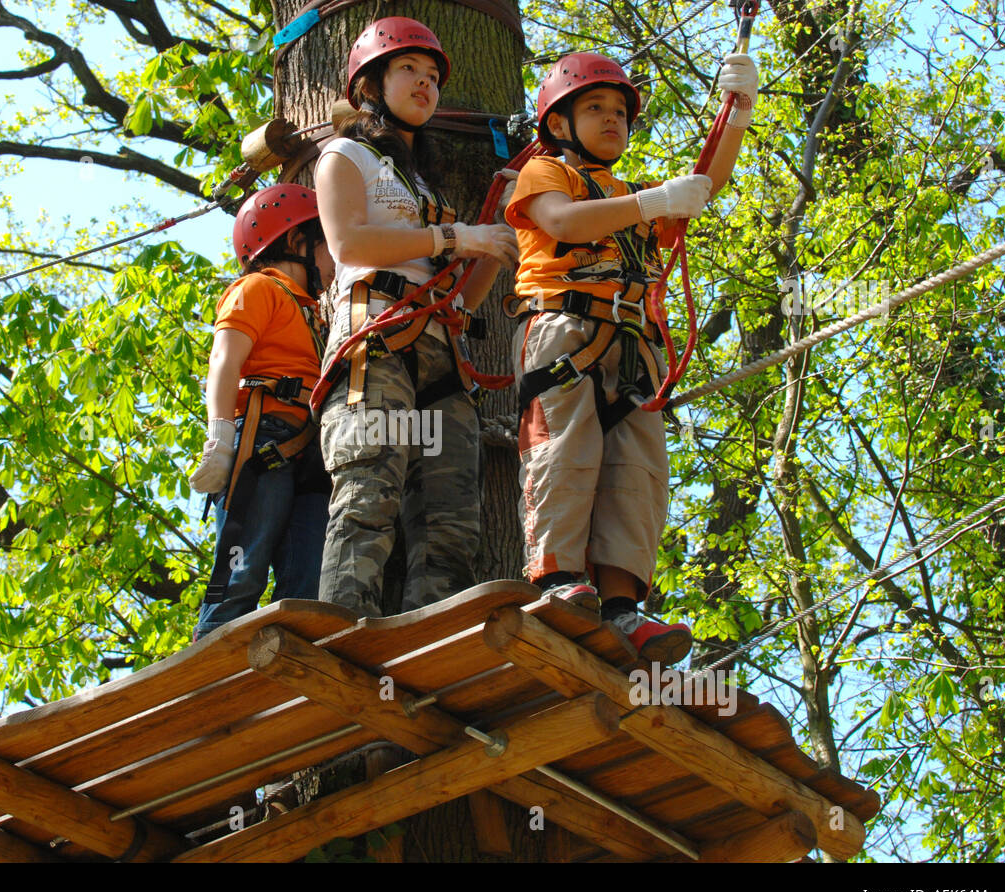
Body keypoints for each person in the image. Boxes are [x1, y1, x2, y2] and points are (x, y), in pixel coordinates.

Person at [504, 51, 758, 663]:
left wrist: (739, 113)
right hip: (565, 331)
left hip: (634, 347)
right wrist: (650, 203)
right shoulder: (545, 173)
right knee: (564, 453)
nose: (613, 119)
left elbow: (707, 183)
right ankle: (559, 581)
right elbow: (562, 222)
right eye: (595, 108)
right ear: (559, 124)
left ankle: (622, 606)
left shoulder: (629, 196)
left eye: (620, 111)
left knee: (637, 476)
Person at [313, 16, 518, 618]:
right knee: (368, 489)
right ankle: (341, 633)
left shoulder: (425, 187)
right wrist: (457, 234)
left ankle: (433, 648)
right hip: (375, 342)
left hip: (440, 358)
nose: (426, 84)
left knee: (450, 520)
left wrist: (491, 239)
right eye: (408, 70)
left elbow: (463, 302)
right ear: (370, 84)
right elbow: (349, 245)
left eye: (432, 76)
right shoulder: (344, 155)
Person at [189, 184, 335, 641]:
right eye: (326, 242)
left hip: (311, 454)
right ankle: (207, 672)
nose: (335, 256)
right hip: (263, 441)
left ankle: (291, 668)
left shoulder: (318, 317)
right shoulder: (257, 289)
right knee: (242, 572)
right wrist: (220, 435)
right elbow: (225, 360)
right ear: (296, 243)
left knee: (310, 585)